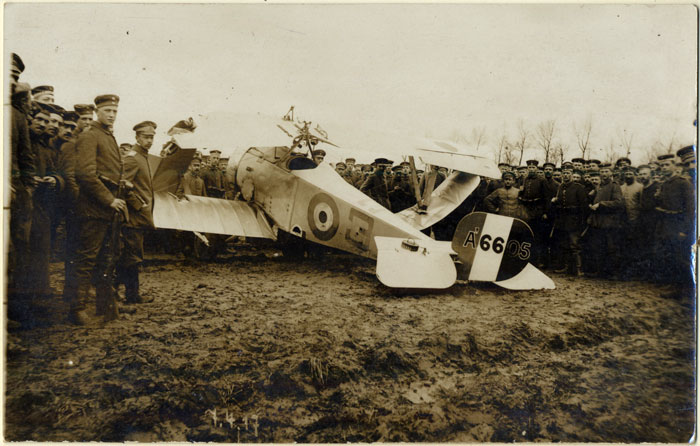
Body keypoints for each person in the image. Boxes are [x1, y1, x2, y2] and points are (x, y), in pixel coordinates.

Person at [73, 94, 124, 325]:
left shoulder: (107, 135)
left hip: (106, 209)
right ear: (97, 111)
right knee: (86, 260)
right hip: (93, 209)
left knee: (105, 260)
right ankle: (77, 309)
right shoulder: (90, 135)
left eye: (114, 111)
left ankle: (106, 308)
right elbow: (85, 174)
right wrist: (108, 199)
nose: (112, 115)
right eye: (107, 111)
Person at [117, 121, 157, 304]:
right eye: (146, 137)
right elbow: (123, 185)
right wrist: (139, 206)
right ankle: (130, 294)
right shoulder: (133, 157)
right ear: (137, 137)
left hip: (139, 216)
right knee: (132, 256)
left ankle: (125, 291)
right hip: (133, 216)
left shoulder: (143, 157)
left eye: (152, 137)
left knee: (133, 255)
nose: (150, 141)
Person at [654, 153, 694, 292]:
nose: (664, 167)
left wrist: (685, 229)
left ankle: (684, 290)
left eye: (667, 164)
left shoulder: (683, 183)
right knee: (670, 255)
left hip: (679, 225)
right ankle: (674, 286)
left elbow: (690, 209)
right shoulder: (664, 184)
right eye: (662, 165)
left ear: (674, 165)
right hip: (666, 225)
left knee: (681, 258)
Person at [586, 163, 624, 278]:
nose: (604, 174)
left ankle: (614, 273)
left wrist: (601, 204)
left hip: (610, 222)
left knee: (611, 248)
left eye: (606, 171)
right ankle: (601, 272)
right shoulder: (600, 186)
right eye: (602, 172)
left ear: (611, 173)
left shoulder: (614, 186)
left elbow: (618, 203)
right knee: (600, 247)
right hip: (599, 222)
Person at [551, 168, 588, 276]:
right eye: (564, 173)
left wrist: (581, 221)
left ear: (572, 175)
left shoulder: (578, 188)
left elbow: (583, 206)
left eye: (568, 173)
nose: (565, 175)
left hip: (574, 220)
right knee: (564, 244)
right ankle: (566, 267)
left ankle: (578, 269)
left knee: (574, 245)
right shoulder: (560, 187)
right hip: (562, 220)